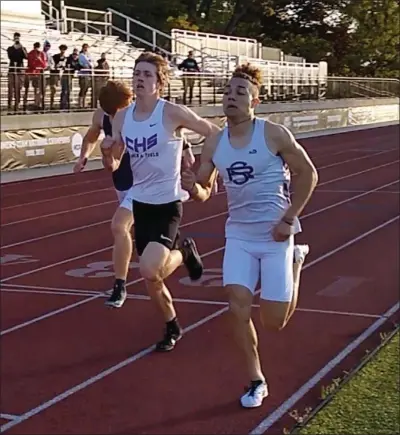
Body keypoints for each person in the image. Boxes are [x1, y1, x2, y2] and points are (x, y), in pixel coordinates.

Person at [181, 63, 318, 407]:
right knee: (237, 308)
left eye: (240, 92)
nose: (231, 97)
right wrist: (191, 186)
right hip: (239, 235)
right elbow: (205, 190)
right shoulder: (214, 142)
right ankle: (256, 379)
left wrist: (289, 219)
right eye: (228, 91)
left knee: (274, 323)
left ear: (255, 100)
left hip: (275, 234)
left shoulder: (273, 134)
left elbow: (308, 173)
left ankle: (296, 261)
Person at [102, 51, 220, 352]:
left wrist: (208, 173)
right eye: (137, 73)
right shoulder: (122, 116)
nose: (139, 78)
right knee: (152, 279)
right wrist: (106, 151)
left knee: (148, 270)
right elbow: (114, 164)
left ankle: (182, 250)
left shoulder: (171, 113)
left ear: (159, 83)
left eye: (147, 75)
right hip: (140, 202)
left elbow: (214, 134)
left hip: (168, 203)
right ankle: (172, 325)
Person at [73, 80, 135, 308]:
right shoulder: (102, 116)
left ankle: (120, 285)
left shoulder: (137, 116)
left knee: (120, 227)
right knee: (143, 236)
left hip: (146, 181)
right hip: (122, 181)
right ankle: (181, 249)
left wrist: (186, 150)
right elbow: (90, 136)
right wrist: (84, 157)